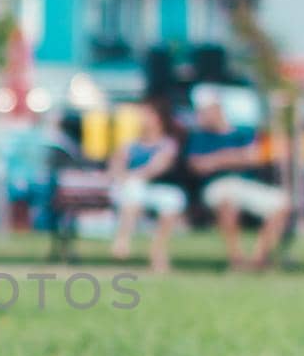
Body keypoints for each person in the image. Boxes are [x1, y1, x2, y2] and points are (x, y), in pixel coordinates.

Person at [187, 89, 291, 271]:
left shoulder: (243, 133)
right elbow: (198, 165)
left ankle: (258, 258)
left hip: (245, 185)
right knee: (227, 200)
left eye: (204, 111)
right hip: (218, 186)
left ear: (217, 109)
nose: (201, 116)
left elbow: (254, 157)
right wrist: (235, 157)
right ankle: (236, 258)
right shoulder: (199, 137)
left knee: (282, 204)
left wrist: (217, 159)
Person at [108, 100, 185, 273]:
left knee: (172, 199)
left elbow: (155, 168)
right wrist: (123, 177)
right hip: (127, 189)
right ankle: (123, 239)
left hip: (150, 188)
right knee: (133, 189)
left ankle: (157, 249)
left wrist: (130, 176)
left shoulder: (167, 144)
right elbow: (115, 166)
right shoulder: (130, 144)